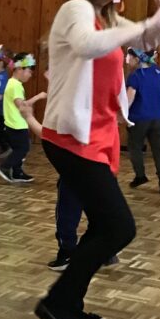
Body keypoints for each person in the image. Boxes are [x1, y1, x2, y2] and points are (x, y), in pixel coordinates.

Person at [35, 0, 160, 319]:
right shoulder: (76, 10)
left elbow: (144, 42)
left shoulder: (109, 18)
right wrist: (145, 25)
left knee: (104, 226)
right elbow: (88, 45)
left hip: (98, 136)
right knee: (118, 227)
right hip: (69, 138)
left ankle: (67, 304)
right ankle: (57, 301)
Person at [19, 98, 119, 271]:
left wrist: (28, 117)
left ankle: (67, 254)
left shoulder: (76, 109)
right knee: (99, 212)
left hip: (78, 171)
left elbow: (49, 136)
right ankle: (105, 252)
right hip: (104, 170)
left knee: (67, 214)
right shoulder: (105, 109)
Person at [126, 47, 160, 193]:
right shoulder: (158, 71)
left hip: (138, 120)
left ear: (137, 59)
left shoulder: (135, 76)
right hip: (158, 118)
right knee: (159, 150)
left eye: (129, 57)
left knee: (135, 147)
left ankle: (140, 176)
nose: (127, 60)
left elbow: (128, 101)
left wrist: (120, 115)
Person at [0, 52, 38, 183]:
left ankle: (17, 172)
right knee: (22, 149)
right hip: (16, 125)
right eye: (29, 71)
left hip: (14, 124)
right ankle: (4, 167)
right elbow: (21, 105)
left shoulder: (12, 83)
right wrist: (39, 96)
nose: (30, 75)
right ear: (19, 69)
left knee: (19, 149)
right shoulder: (15, 85)